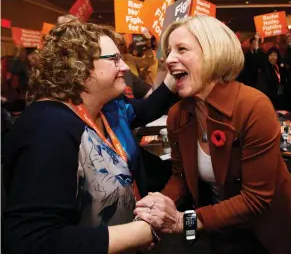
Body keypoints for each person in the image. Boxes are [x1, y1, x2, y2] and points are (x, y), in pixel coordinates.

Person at [2, 20, 177, 254]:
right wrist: (146, 231)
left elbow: (146, 109)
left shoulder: (107, 109)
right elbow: (34, 241)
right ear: (79, 67)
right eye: (114, 59)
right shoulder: (49, 128)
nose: (124, 66)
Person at [134, 15, 291, 254]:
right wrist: (159, 205)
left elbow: (255, 200)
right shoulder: (178, 114)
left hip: (264, 235)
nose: (169, 59)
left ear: (212, 53)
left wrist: (181, 222)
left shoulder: (253, 106)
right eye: (168, 51)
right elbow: (181, 177)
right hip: (216, 230)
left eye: (182, 49)